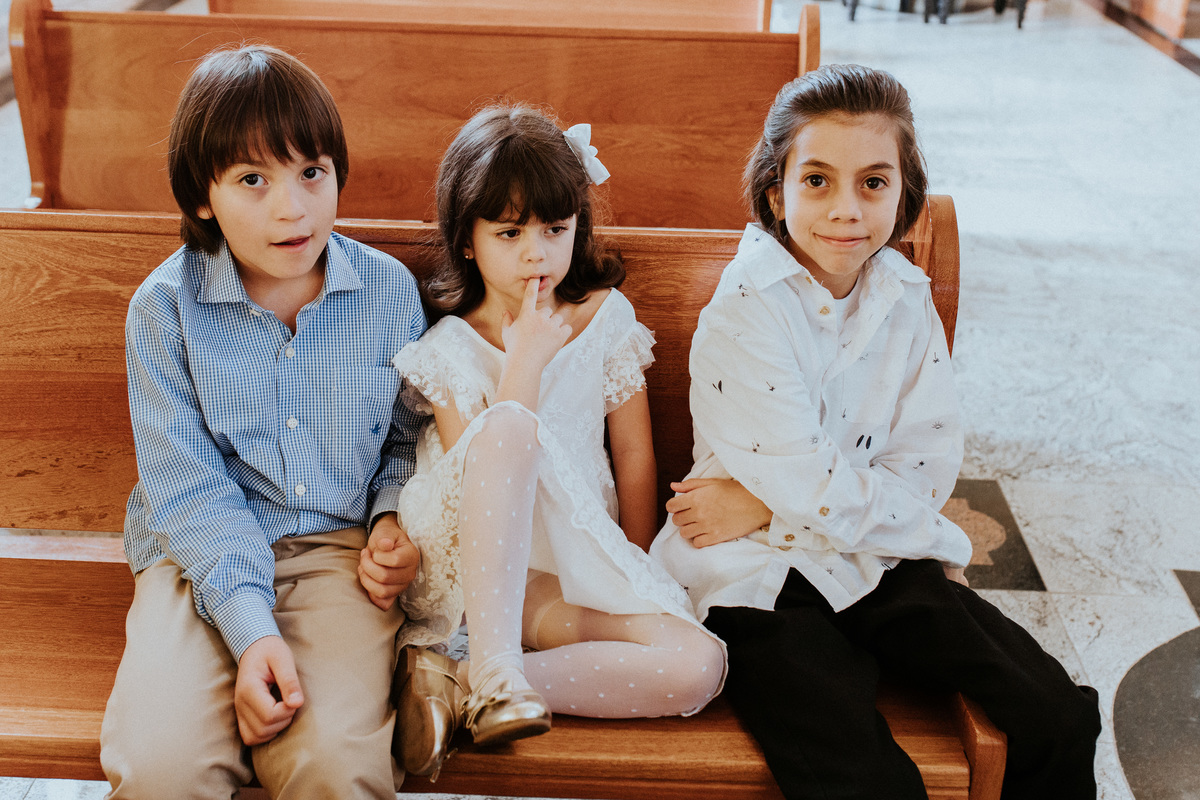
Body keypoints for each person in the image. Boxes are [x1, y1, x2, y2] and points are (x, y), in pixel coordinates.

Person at [651, 64, 1101, 799]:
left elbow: (922, 469)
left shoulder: (906, 297)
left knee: (1057, 716)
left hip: (874, 556)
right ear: (777, 192)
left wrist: (765, 502)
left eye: (873, 182)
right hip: (755, 576)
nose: (846, 210)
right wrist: (788, 505)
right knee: (860, 778)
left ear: (903, 192)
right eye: (817, 180)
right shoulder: (746, 310)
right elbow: (811, 480)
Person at [100, 45, 427, 799]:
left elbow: (408, 440)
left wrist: (390, 519)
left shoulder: (387, 294)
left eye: (312, 172)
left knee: (334, 764)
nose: (293, 208)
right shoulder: (164, 309)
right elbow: (187, 491)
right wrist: (253, 634)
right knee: (160, 768)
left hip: (337, 553)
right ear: (203, 196)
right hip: (193, 557)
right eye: (253, 180)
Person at [373, 103, 726, 780]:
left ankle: (461, 681)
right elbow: (482, 484)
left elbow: (634, 456)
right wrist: (525, 361)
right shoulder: (449, 349)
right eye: (510, 233)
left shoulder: (606, 318)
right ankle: (490, 662)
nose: (536, 253)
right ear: (468, 240)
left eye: (554, 230)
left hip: (574, 569)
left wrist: (632, 565)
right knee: (508, 425)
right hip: (486, 580)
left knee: (698, 664)